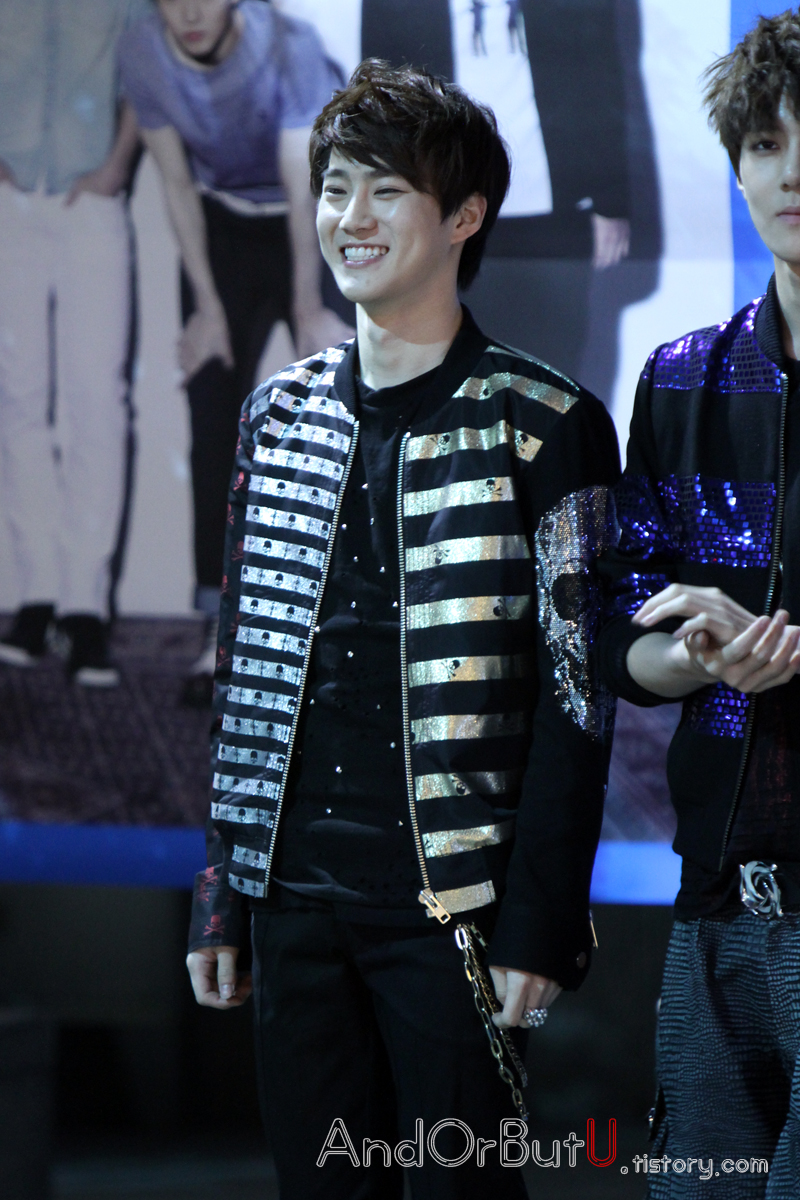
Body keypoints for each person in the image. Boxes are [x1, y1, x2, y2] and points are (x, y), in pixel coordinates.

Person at [186, 60, 620, 1199]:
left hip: (455, 915)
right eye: (335, 189)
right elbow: (243, 674)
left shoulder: (546, 422)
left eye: (385, 190)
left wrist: (541, 926)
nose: (351, 218)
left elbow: (579, 698)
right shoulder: (276, 414)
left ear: (464, 216)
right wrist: (222, 892)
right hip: (292, 904)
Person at [597, 12, 800, 1195]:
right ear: (735, 166)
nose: (790, 173)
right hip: (714, 903)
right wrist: (694, 657)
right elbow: (624, 630)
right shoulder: (684, 377)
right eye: (765, 143)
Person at [118, 0, 352, 704]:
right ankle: (215, 629)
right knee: (215, 426)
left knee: (348, 425)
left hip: (316, 227)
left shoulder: (289, 46)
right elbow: (175, 182)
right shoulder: (142, 49)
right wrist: (208, 307)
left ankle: (344, 634)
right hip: (223, 231)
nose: (189, 12)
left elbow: (303, 185)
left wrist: (308, 307)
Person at [0, 0, 147, 685]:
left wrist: (116, 168)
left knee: (98, 403)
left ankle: (84, 605)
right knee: (17, 398)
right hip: (9, 201)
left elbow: (145, 73)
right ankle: (36, 595)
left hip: (92, 203)